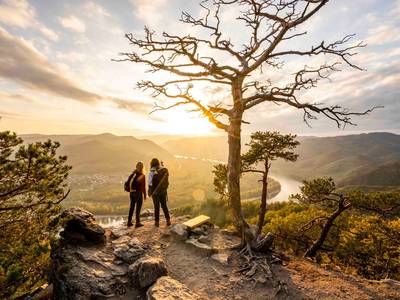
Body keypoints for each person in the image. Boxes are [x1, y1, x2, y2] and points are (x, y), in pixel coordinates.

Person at [148, 158, 171, 227]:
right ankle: (168, 220)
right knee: (164, 206)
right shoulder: (163, 169)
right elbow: (167, 181)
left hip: (155, 192)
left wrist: (150, 191)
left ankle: (157, 222)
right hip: (163, 191)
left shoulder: (152, 171)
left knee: (156, 207)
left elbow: (150, 183)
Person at [125, 161, 146, 227]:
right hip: (138, 193)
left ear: (136, 166)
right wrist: (145, 195)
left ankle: (129, 222)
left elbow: (128, 183)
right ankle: (137, 222)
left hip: (131, 193)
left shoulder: (132, 174)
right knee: (138, 208)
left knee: (132, 207)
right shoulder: (142, 175)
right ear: (142, 167)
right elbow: (143, 187)